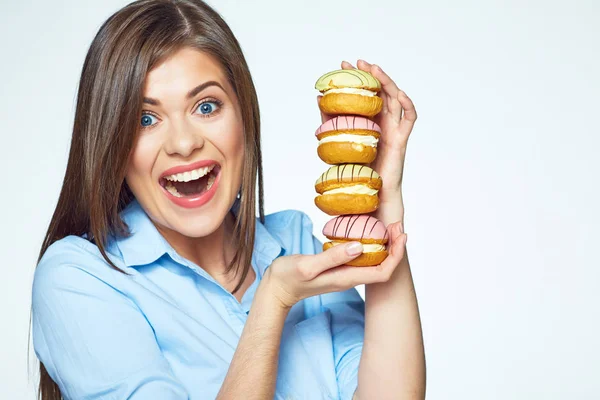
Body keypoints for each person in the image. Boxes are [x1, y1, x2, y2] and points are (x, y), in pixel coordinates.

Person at [30, 0, 425, 399]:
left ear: (243, 115)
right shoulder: (79, 278)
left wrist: (383, 196)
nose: (184, 143)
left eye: (206, 106)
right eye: (144, 119)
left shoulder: (297, 240)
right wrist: (273, 301)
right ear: (112, 141)